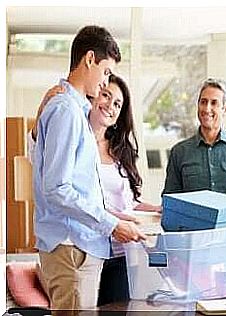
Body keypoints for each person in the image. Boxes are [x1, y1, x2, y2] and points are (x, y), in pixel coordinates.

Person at [32, 25, 146, 312]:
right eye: (106, 71)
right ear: (90, 59)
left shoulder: (76, 112)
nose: (105, 81)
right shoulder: (66, 111)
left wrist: (117, 219)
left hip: (81, 246)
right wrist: (111, 225)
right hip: (71, 246)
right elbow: (57, 188)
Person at [162, 77, 226, 196]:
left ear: (225, 109)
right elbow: (171, 201)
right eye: (203, 102)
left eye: (214, 103)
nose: (207, 109)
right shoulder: (179, 152)